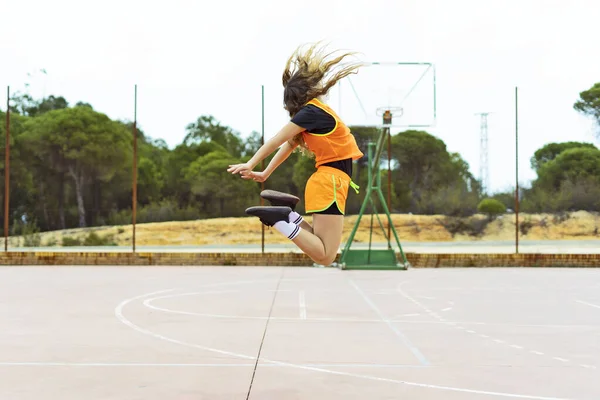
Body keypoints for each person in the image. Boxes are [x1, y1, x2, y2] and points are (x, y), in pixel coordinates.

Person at [227, 43, 364, 266]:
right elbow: (278, 140)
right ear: (308, 90)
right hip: (330, 183)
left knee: (322, 248)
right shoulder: (313, 111)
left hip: (329, 182)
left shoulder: (313, 115)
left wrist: (264, 173)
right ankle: (281, 220)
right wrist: (251, 164)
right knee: (326, 255)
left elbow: (288, 146)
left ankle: (288, 217)